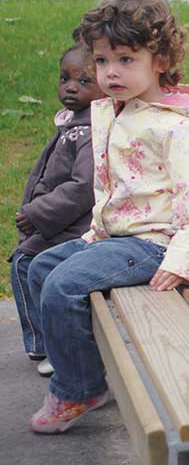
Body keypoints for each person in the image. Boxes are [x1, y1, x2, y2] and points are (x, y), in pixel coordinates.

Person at [26, 0, 189, 434]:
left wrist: (183, 258)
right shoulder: (118, 112)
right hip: (121, 236)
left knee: (62, 286)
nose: (111, 72)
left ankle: (78, 388)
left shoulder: (178, 126)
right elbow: (115, 186)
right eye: (101, 61)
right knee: (41, 266)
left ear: (158, 60)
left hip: (157, 243)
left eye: (125, 58)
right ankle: (86, 363)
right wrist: (97, 231)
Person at [8, 36, 104, 378]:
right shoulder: (73, 123)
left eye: (84, 81)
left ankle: (49, 344)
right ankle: (45, 342)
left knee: (25, 263)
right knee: (25, 261)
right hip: (60, 221)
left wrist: (37, 212)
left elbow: (82, 189)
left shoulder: (87, 130)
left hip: (75, 226)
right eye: (65, 78)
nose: (71, 87)